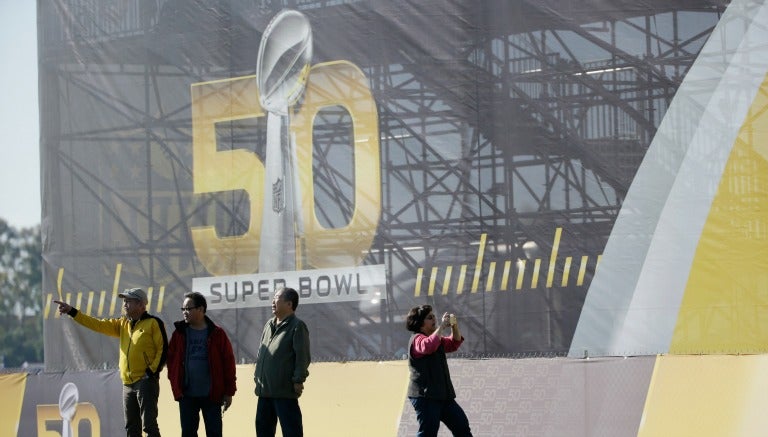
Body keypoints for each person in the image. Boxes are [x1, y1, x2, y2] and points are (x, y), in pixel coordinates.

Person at [54, 288, 168, 437]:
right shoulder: (122, 324)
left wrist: (151, 372)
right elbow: (97, 324)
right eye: (124, 301)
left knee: (149, 426)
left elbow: (163, 349)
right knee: (132, 428)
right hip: (127, 384)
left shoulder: (153, 323)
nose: (125, 304)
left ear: (141, 304)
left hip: (145, 382)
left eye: (129, 301)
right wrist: (72, 311)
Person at [167, 292, 237, 437]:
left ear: (200, 309)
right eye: (183, 309)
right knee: (188, 433)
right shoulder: (179, 333)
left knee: (214, 433)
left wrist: (229, 392)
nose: (184, 312)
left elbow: (228, 363)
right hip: (187, 395)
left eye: (188, 309)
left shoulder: (217, 333)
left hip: (212, 395)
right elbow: (171, 361)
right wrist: (176, 385)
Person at [405, 304, 472, 437]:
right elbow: (428, 346)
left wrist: (454, 325)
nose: (434, 319)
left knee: (462, 427)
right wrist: (441, 327)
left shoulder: (437, 339)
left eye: (434, 316)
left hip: (443, 396)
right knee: (428, 433)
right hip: (425, 397)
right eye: (430, 317)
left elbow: (454, 342)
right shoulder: (417, 339)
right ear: (420, 323)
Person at [254, 287, 311, 437]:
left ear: (289, 304)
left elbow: (302, 357)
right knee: (263, 431)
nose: (273, 301)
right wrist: (257, 377)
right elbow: (262, 352)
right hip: (265, 391)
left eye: (277, 298)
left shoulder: (297, 326)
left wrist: (298, 380)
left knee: (291, 432)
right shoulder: (269, 325)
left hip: (284, 392)